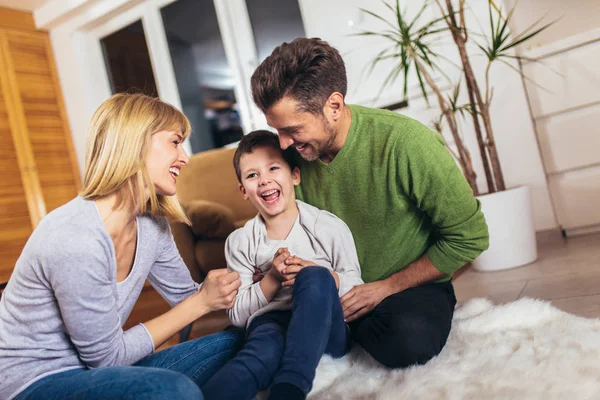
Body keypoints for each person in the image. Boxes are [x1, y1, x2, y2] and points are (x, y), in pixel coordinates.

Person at [249, 38, 490, 369]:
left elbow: (471, 236)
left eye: (292, 129)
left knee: (407, 341)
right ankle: (337, 328)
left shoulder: (407, 143)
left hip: (403, 285)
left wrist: (385, 288)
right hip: (327, 288)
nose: (284, 142)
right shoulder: (288, 160)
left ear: (333, 105)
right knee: (255, 335)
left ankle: (339, 331)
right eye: (276, 130)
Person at [0, 93, 244, 400]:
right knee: (173, 390)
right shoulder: (74, 238)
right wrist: (202, 302)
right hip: (33, 384)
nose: (184, 157)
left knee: (246, 340)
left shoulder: (152, 227)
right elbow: (108, 359)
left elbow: (189, 298)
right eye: (175, 142)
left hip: (98, 376)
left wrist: (267, 284)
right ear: (136, 142)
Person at [201, 130, 363, 400]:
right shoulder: (240, 242)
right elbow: (238, 316)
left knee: (316, 276)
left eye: (273, 168)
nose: (264, 180)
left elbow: (357, 287)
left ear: (295, 176)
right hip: (270, 324)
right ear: (243, 190)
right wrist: (272, 279)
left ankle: (289, 387)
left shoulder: (327, 226)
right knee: (252, 360)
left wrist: (321, 276)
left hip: (326, 327)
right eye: (252, 175)